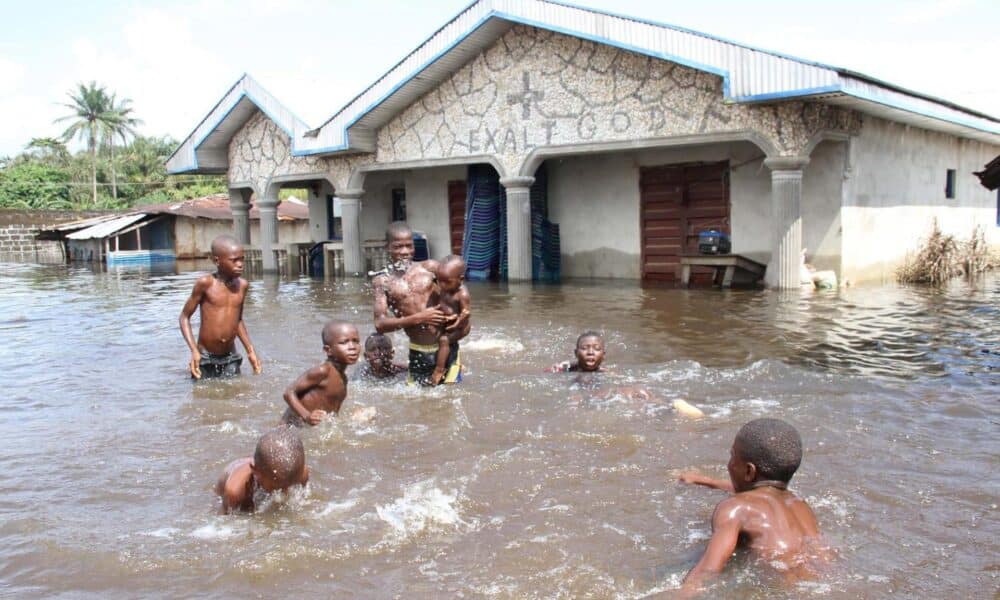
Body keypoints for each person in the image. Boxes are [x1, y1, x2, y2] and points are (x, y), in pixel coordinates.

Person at [677, 418, 826, 592]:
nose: (729, 464)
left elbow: (707, 572)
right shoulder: (801, 506)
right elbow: (755, 492)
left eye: (732, 456)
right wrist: (705, 481)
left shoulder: (735, 508)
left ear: (749, 471)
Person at [372, 221, 462, 386]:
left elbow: (460, 289)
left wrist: (460, 317)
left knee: (451, 400)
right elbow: (380, 324)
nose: (405, 252)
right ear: (387, 247)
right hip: (418, 351)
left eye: (409, 246)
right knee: (420, 403)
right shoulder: (382, 281)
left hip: (447, 347)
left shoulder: (431, 268)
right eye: (398, 247)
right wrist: (420, 317)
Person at [550, 331, 704, 417]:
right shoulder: (567, 369)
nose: (591, 352)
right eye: (585, 348)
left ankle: (671, 407)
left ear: (604, 355)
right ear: (576, 353)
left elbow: (622, 381)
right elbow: (546, 374)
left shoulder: (607, 373)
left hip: (602, 393)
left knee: (639, 391)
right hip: (583, 395)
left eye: (596, 349)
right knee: (574, 402)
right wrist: (563, 366)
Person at [178, 235, 262, 379]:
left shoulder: (242, 285)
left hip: (230, 356)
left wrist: (250, 350)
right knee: (203, 397)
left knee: (235, 395)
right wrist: (194, 351)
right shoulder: (205, 283)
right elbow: (184, 317)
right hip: (205, 357)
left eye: (242, 259)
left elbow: (238, 320)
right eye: (234, 260)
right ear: (217, 260)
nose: (240, 264)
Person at [282, 321, 362, 426]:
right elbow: (288, 393)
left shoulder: (343, 378)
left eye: (356, 341)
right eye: (344, 342)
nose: (352, 347)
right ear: (328, 350)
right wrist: (307, 416)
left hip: (310, 428)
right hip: (290, 429)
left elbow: (332, 414)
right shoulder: (322, 371)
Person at [215, 426, 309, 514]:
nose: (285, 492)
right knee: (246, 509)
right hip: (232, 479)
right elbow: (223, 522)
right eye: (276, 487)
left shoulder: (298, 472)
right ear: (255, 471)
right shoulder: (234, 491)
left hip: (263, 468)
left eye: (290, 485)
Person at [431, 255, 471, 385]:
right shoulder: (443, 286)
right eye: (439, 280)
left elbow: (466, 313)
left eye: (446, 281)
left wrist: (457, 322)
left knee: (444, 340)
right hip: (449, 321)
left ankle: (439, 370)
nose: (442, 285)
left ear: (461, 280)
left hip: (462, 326)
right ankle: (455, 362)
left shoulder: (462, 293)